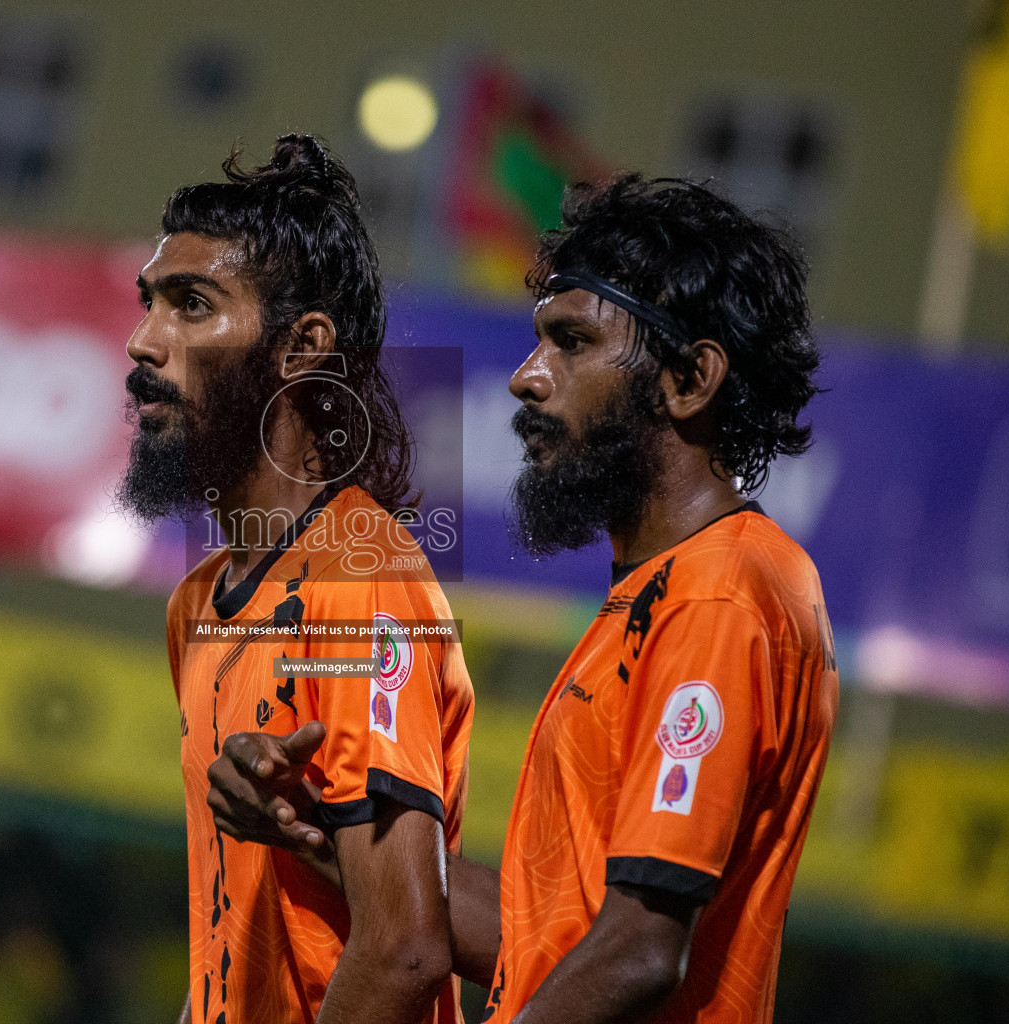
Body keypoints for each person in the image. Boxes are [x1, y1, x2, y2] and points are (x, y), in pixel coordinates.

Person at [205, 175, 838, 1024]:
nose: (525, 378)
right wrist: (310, 829)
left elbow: (642, 953)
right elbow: (543, 941)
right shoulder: (658, 593)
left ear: (690, 380)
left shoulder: (722, 592)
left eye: (572, 342)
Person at [120, 133, 475, 1024]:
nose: (143, 343)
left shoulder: (360, 582)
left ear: (300, 345)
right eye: (149, 303)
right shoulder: (195, 606)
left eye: (191, 305)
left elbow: (404, 945)